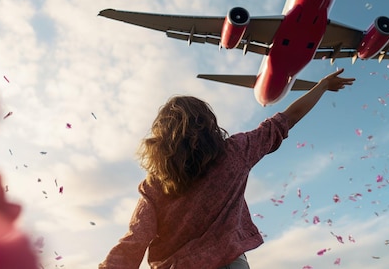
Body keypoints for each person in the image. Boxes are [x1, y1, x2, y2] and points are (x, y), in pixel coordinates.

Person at [99, 69, 355, 269]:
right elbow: (287, 119)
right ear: (209, 124)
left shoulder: (155, 184)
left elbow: (135, 240)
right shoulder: (235, 152)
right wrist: (321, 87)